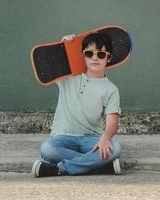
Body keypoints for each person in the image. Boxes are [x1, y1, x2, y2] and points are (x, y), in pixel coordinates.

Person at [31, 32, 122, 177]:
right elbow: (55, 62)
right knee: (47, 149)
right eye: (89, 53)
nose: (94, 58)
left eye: (101, 54)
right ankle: (97, 167)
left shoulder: (111, 89)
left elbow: (113, 122)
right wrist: (64, 46)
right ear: (83, 56)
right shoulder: (68, 77)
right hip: (63, 138)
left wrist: (105, 138)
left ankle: (59, 169)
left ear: (108, 58)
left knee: (115, 148)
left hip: (91, 140)